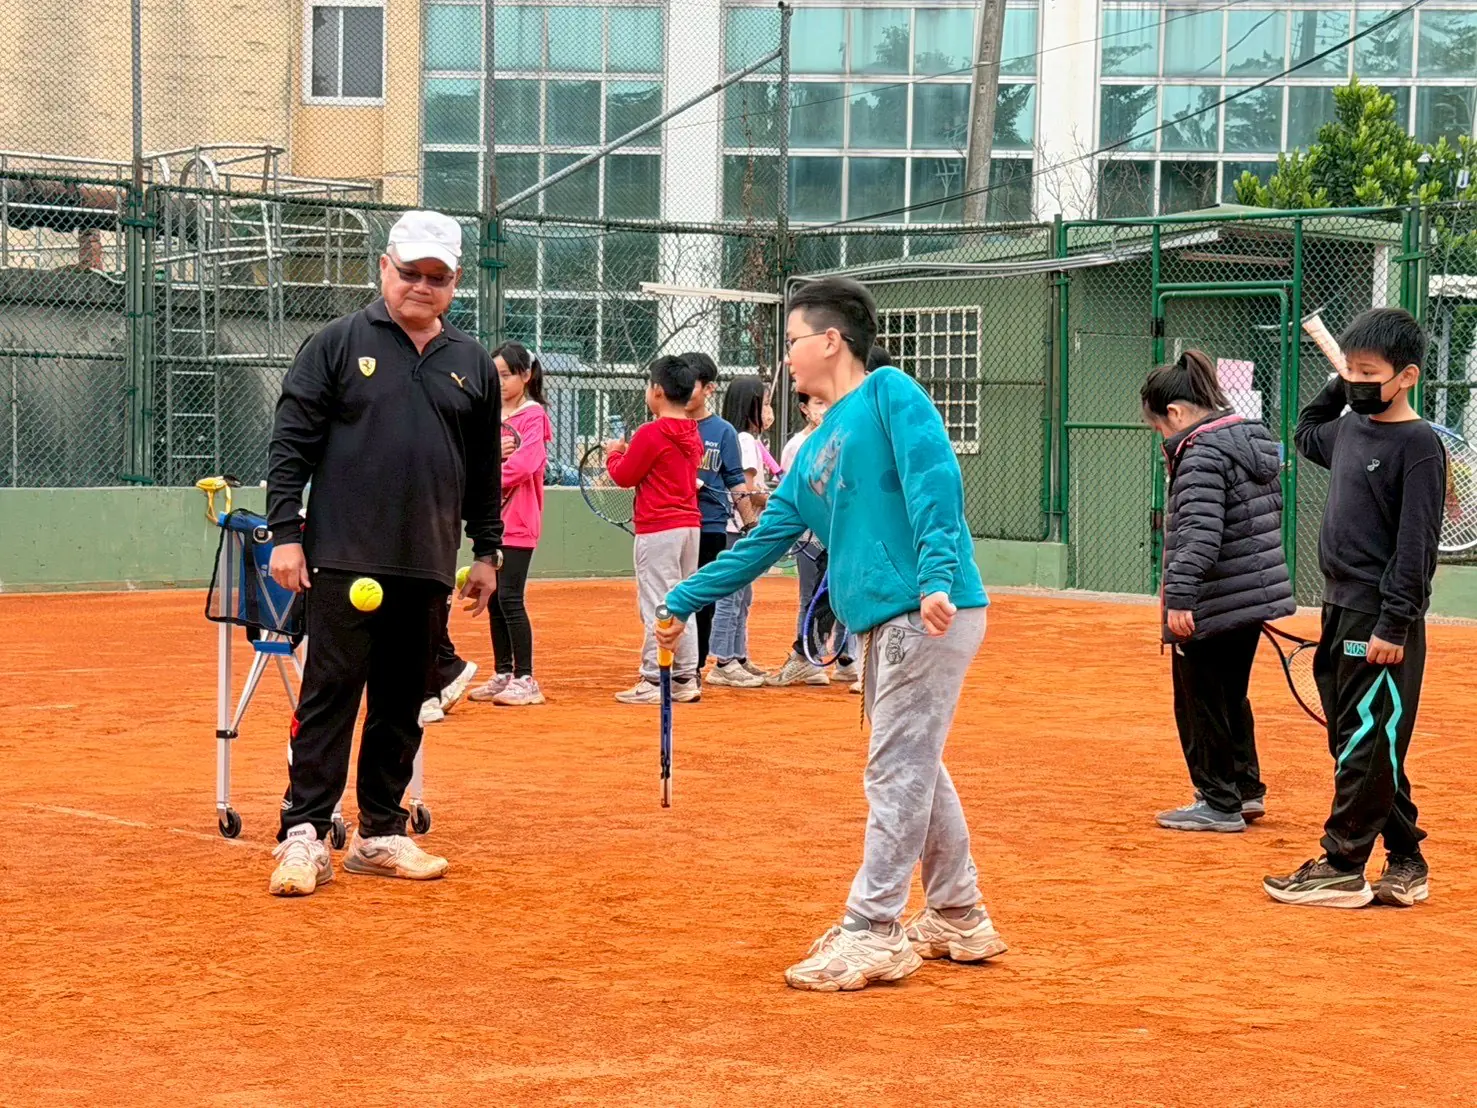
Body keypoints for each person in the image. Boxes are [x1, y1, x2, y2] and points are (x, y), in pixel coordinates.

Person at [656, 277, 1002, 992]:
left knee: (895, 768)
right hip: (885, 621)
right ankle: (957, 914)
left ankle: (873, 930)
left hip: (926, 607)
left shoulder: (889, 394)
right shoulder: (813, 450)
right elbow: (762, 543)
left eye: (790, 341)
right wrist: (682, 597)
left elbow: (933, 480)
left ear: (829, 340)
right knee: (913, 763)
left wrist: (936, 574)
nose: (785, 358)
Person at [264, 209, 501, 897]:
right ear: (383, 268)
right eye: (410, 273)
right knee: (329, 696)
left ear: (455, 282)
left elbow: (483, 468)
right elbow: (291, 447)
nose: (421, 287)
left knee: (403, 703)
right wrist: (285, 534)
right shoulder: (336, 343)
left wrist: (486, 551)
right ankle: (302, 834)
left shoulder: (470, 365)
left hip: (426, 563)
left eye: (437, 277)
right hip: (341, 557)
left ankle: (379, 834)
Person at [1265, 308, 1446, 909]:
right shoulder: (1347, 431)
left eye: (1371, 372)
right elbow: (1305, 428)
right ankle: (1408, 860)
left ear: (1408, 377)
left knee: (1368, 740)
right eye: (1352, 371)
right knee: (1359, 742)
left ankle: (1343, 864)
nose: (1358, 382)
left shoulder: (1418, 445)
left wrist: (1395, 624)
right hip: (1338, 608)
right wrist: (1341, 379)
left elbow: (1416, 545)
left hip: (1382, 618)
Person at [1143, 350, 1294, 833]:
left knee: (1198, 701)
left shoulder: (1202, 455)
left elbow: (1201, 533)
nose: (1161, 439)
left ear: (1177, 414)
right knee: (1230, 696)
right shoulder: (1249, 442)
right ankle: (1245, 792)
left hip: (1212, 599)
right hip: (1248, 594)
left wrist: (1182, 597)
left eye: (1158, 428)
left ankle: (1219, 802)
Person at [607, 355, 705, 705]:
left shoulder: (651, 432)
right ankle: (684, 677)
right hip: (689, 526)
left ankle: (653, 678)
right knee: (682, 600)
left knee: (657, 604)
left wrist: (613, 455)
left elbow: (623, 476)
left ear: (658, 391)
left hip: (659, 528)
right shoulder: (693, 431)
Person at [468, 341, 553, 707]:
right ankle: (504, 672)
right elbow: (467, 457)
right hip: (490, 522)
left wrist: (486, 470)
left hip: (519, 523)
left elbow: (524, 465)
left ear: (526, 376)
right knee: (495, 601)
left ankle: (526, 678)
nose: (499, 382)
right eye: (494, 375)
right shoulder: (487, 416)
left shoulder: (534, 417)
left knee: (510, 597)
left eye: (506, 375)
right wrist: (487, 459)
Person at [766, 392, 858, 688]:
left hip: (847, 532)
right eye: (818, 403)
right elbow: (795, 492)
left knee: (847, 597)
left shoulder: (852, 436)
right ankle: (809, 658)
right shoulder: (800, 446)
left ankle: (846, 660)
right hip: (815, 536)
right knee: (817, 594)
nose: (825, 409)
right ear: (804, 409)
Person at [682, 352, 756, 672]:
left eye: (690, 385)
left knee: (704, 601)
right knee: (673, 595)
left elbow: (736, 481)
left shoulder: (723, 432)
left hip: (711, 527)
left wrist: (751, 522)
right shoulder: (666, 427)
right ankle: (671, 663)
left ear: (709, 389)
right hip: (675, 526)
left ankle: (694, 668)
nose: (683, 391)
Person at [706, 376, 774, 688]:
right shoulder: (744, 440)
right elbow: (747, 492)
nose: (770, 409)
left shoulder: (749, 440)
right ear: (752, 406)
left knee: (742, 597)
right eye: (766, 402)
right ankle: (723, 661)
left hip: (740, 529)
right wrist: (776, 499)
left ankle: (739, 656)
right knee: (731, 597)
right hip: (737, 529)